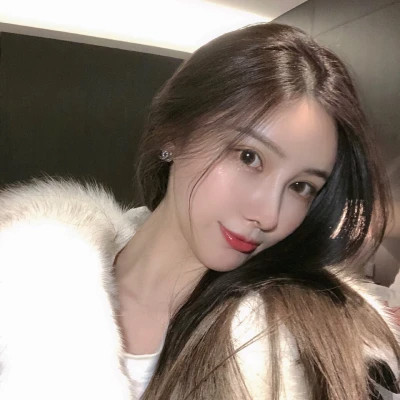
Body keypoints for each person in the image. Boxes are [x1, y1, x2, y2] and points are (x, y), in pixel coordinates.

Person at [0, 23, 398, 400]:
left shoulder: (313, 341)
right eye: (249, 157)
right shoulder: (25, 285)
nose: (269, 215)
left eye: (301, 187)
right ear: (174, 134)